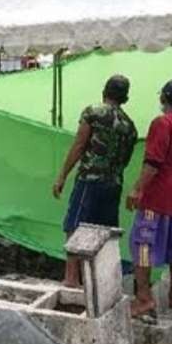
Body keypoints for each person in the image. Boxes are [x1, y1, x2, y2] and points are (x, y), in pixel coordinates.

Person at [53, 75, 138, 288]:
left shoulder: (94, 113)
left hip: (90, 181)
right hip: (113, 184)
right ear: (125, 98)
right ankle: (104, 283)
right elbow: (125, 160)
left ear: (104, 91)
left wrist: (62, 175)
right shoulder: (130, 126)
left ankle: (72, 278)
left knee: (75, 225)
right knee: (106, 232)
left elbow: (79, 145)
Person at [125, 79, 172, 317]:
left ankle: (144, 298)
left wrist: (137, 189)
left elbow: (153, 162)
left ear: (164, 97)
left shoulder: (162, 123)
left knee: (143, 245)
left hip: (156, 198)